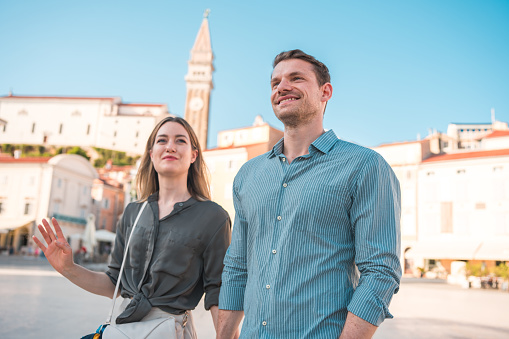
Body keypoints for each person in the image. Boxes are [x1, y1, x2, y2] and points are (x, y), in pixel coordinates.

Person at [217, 50, 402, 338]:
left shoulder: (364, 166)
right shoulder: (248, 175)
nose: (282, 87)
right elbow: (237, 267)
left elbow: (380, 271)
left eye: (296, 78)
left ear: (325, 92)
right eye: (275, 82)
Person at [33, 116, 231, 338]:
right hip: (124, 328)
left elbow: (219, 290)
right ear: (152, 154)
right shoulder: (133, 213)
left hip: (169, 330)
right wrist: (68, 268)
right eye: (162, 140)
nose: (170, 147)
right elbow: (113, 283)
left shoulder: (213, 216)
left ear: (194, 155)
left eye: (180, 141)